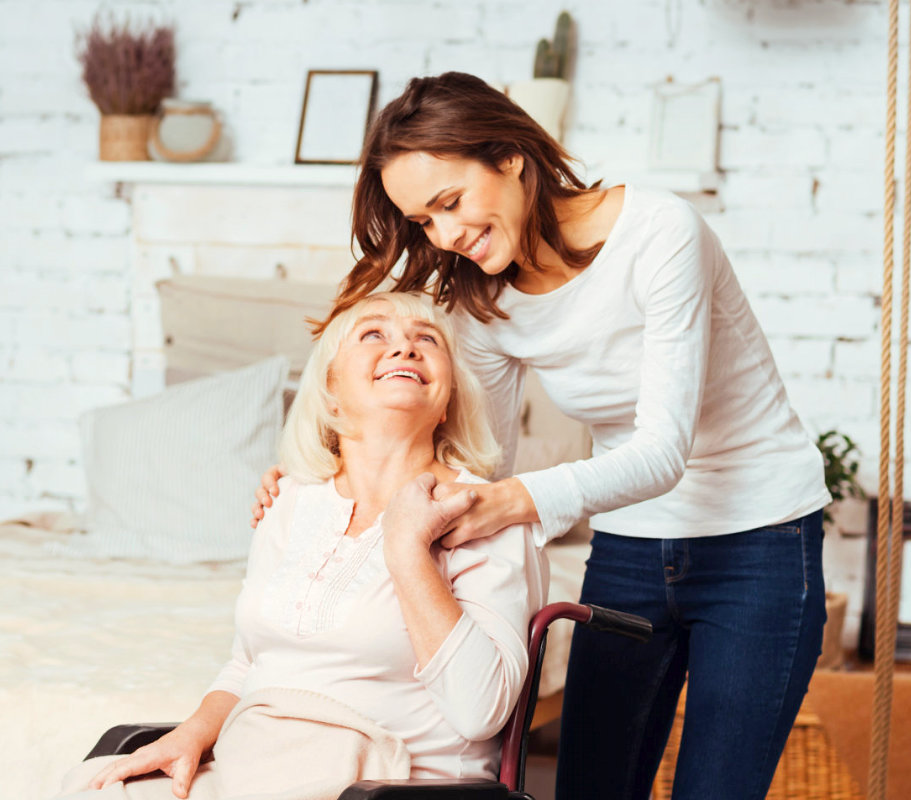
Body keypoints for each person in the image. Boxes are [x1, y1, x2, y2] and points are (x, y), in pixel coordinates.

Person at [252, 72, 831, 800]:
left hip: (760, 539)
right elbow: (473, 463)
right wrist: (315, 487)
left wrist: (513, 501)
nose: (446, 235)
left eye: (450, 202)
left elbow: (661, 453)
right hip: (631, 545)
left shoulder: (660, 234)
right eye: (425, 222)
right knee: (589, 787)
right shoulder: (482, 298)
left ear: (511, 158)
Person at [57, 291, 548, 800]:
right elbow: (249, 660)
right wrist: (192, 734)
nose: (405, 348)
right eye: (374, 334)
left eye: (428, 340)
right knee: (91, 787)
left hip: (386, 784)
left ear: (448, 398)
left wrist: (406, 551)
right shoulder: (289, 500)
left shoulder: (489, 514)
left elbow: (481, 710)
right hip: (256, 764)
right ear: (330, 390)